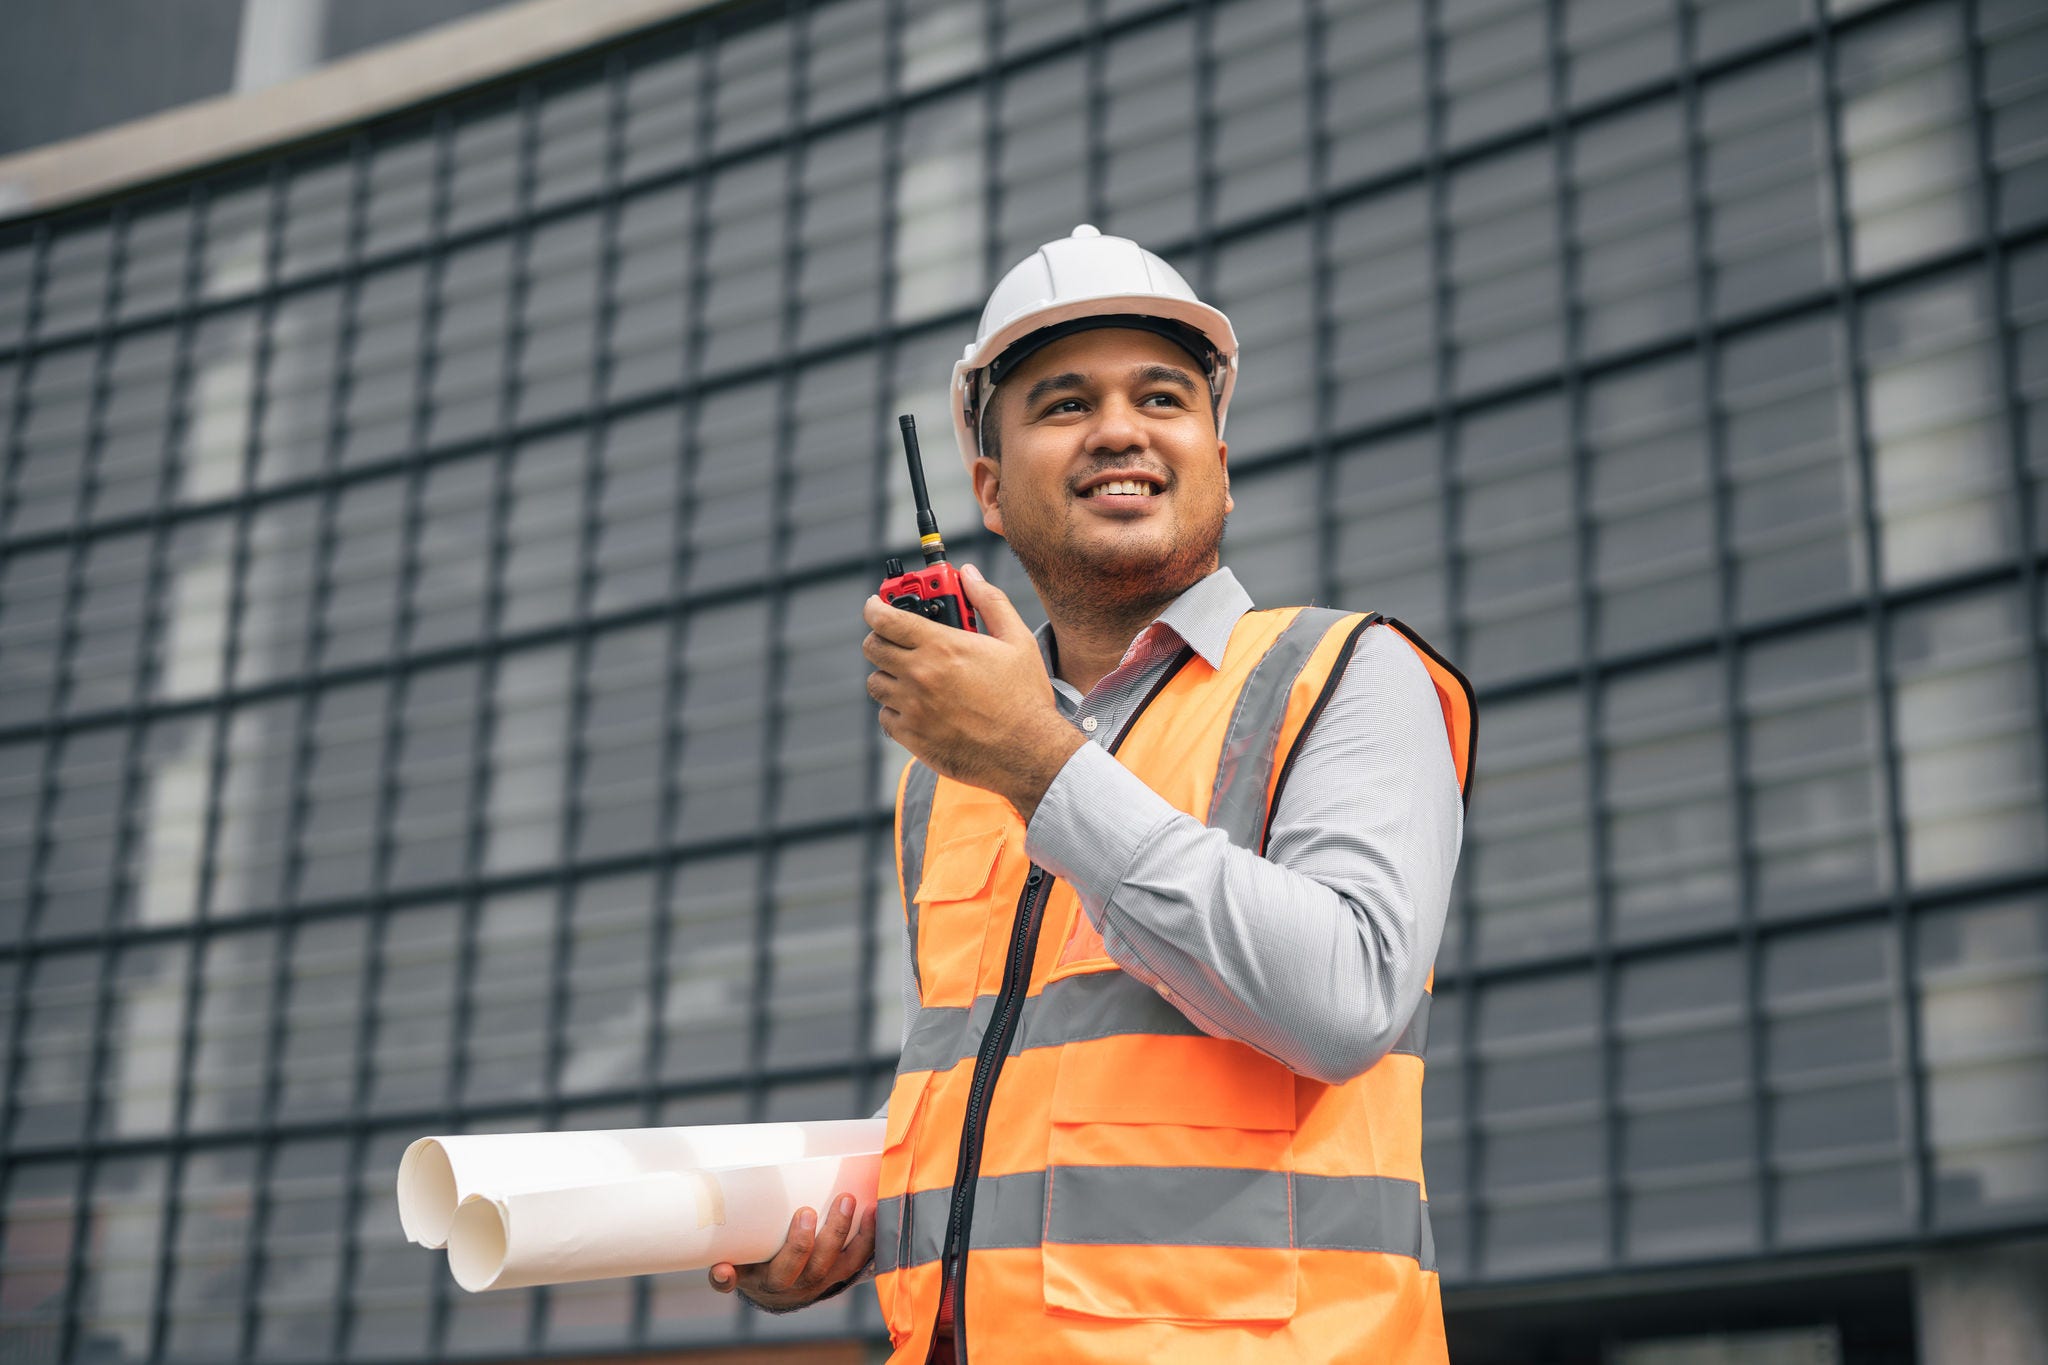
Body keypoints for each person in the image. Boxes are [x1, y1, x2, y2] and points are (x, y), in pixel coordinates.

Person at [709, 225, 1472, 1363]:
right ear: (988, 488)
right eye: (1063, 404)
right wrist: (837, 1210)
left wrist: (1037, 761)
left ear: (1217, 452)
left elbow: (1344, 1000)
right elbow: (1017, 1085)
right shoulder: (945, 780)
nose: (1118, 427)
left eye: (1160, 397)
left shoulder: (1347, 675)